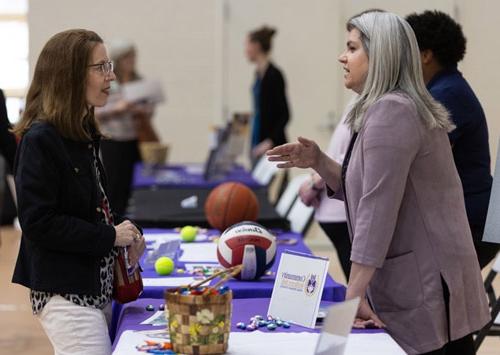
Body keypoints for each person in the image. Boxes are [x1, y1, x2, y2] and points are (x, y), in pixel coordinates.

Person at [267, 11, 489, 354]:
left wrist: (352, 294)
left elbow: (377, 206)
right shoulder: (382, 106)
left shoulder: (394, 110)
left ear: (381, 54)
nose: (342, 56)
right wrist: (319, 161)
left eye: (352, 48)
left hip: (428, 278)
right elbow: (363, 185)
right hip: (420, 273)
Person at [12, 29, 146, 355]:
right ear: (69, 75)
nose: (111, 76)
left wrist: (126, 232)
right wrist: (109, 237)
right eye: (101, 67)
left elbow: (95, 208)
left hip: (94, 286)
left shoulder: (80, 131)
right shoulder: (41, 139)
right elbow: (38, 223)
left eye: (109, 65)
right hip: (66, 294)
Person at [406, 10, 499, 269]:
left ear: (426, 55)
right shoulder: (445, 88)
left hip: (473, 220)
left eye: (407, 50)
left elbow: (415, 159)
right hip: (469, 215)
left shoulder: (447, 95)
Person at [95, 40, 156, 215]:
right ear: (118, 60)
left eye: (133, 57)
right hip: (113, 140)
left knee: (134, 184)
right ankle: (114, 223)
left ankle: (129, 221)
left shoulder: (139, 81)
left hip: (135, 138)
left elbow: (150, 110)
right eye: (127, 58)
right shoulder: (107, 80)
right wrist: (118, 109)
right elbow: (95, 111)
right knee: (115, 185)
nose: (132, 61)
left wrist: (141, 109)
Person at [298, 114, 351, 280]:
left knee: (363, 295)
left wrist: (315, 184)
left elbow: (351, 158)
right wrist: (314, 176)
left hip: (345, 216)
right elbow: (336, 152)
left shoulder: (376, 102)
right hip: (334, 213)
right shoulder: (358, 100)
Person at [245, 26, 290, 165]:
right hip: (257, 139)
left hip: (272, 146)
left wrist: (269, 141)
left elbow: (285, 114)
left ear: (257, 46)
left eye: (247, 45)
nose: (245, 50)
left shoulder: (274, 75)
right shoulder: (258, 74)